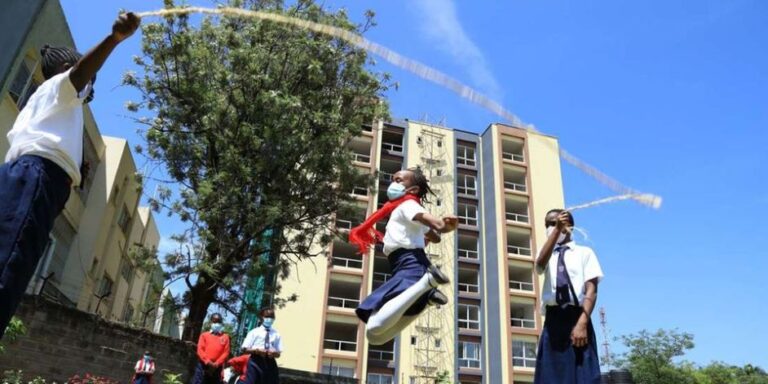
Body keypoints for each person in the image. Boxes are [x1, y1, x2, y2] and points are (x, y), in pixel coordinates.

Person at [0, 12, 140, 339]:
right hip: (34, 179)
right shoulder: (59, 87)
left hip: (30, 179)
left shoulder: (56, 106)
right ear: (66, 69)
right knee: (8, 267)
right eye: (88, 77)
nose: (90, 85)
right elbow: (78, 75)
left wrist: (74, 169)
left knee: (13, 266)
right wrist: (114, 39)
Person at [350, 168, 457, 345]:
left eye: (398, 180)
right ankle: (428, 297)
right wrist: (433, 232)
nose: (393, 184)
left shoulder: (408, 205)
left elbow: (436, 225)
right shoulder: (404, 211)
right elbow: (435, 237)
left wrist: (442, 224)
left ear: (413, 189)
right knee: (375, 338)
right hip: (408, 264)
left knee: (374, 327)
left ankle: (429, 282)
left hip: (410, 264)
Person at [534, 209, 603, 384]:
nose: (550, 227)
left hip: (578, 316)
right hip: (554, 318)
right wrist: (557, 230)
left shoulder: (584, 253)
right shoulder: (546, 252)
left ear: (569, 226)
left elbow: (591, 290)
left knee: (585, 375)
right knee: (551, 377)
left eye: (554, 223)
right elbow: (539, 266)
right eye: (548, 224)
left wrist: (582, 324)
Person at [241, 308, 282, 384]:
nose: (269, 319)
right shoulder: (254, 332)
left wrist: (274, 353)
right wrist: (257, 351)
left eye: (271, 317)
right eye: (267, 316)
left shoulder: (276, 334)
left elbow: (278, 353)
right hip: (255, 361)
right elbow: (244, 349)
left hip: (270, 362)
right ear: (261, 317)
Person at [193, 313, 231, 384]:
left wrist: (216, 364)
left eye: (218, 322)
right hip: (203, 366)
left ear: (221, 323)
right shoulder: (204, 335)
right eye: (214, 321)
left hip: (217, 369)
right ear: (211, 322)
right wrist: (208, 362)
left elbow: (226, 352)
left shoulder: (225, 337)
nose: (216, 324)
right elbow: (200, 350)